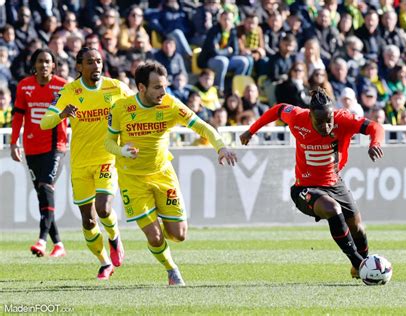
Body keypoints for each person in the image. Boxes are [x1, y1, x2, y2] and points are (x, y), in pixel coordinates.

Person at [104, 61, 237, 286]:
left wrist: (221, 146)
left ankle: (157, 226)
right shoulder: (121, 108)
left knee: (179, 235)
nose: (163, 92)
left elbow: (202, 127)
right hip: (132, 179)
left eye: (165, 86)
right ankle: (171, 269)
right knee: (154, 236)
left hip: (162, 174)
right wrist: (121, 150)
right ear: (141, 88)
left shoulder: (170, 105)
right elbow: (108, 142)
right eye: (157, 87)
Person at [240, 87, 384, 279]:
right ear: (310, 117)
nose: (326, 126)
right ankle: (359, 262)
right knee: (332, 209)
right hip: (305, 187)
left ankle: (362, 267)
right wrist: (251, 131)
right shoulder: (298, 117)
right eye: (320, 122)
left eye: (329, 120)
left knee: (358, 228)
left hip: (334, 183)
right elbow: (277, 109)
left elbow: (376, 127)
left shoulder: (344, 119)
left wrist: (375, 143)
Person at [40, 47, 132, 280]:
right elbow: (44, 123)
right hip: (80, 163)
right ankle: (104, 262)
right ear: (79, 67)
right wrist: (62, 115)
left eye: (99, 61)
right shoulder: (69, 91)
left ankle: (114, 237)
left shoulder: (116, 87)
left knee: (103, 208)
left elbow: (137, 107)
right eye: (90, 62)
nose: (96, 66)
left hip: (106, 158)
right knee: (88, 219)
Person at [10, 48, 67, 257]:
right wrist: (14, 142)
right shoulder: (24, 86)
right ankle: (59, 244)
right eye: (40, 61)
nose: (44, 65)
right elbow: (18, 117)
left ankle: (42, 240)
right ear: (34, 64)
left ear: (54, 65)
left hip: (55, 147)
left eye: (48, 61)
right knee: (42, 195)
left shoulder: (62, 86)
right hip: (32, 148)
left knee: (45, 186)